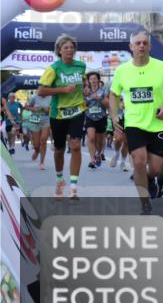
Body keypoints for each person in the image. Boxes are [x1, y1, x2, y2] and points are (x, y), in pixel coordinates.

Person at [109, 30, 163, 214]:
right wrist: (114, 116)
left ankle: (151, 178)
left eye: (145, 43)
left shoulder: (162, 67)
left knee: (155, 168)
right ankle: (145, 203)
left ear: (150, 46)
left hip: (159, 124)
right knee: (138, 161)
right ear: (131, 47)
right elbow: (113, 95)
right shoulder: (122, 70)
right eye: (137, 43)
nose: (141, 46)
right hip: (134, 123)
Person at [37, 34, 87, 201]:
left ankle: (73, 187)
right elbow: (41, 91)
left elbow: (82, 85)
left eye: (72, 47)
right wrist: (63, 90)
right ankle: (59, 180)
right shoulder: (53, 69)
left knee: (75, 146)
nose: (69, 50)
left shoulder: (81, 66)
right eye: (65, 47)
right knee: (58, 150)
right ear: (59, 50)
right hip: (58, 114)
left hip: (77, 111)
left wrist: (85, 90)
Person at [83, 73, 108, 169]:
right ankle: (92, 160)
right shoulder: (85, 91)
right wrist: (86, 100)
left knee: (100, 141)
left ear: (98, 80)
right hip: (90, 117)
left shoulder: (103, 90)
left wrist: (99, 97)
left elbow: (107, 104)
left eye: (95, 78)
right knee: (91, 138)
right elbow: (83, 104)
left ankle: (98, 154)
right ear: (88, 81)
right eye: (91, 79)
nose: (93, 80)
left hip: (101, 117)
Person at [21, 92, 48, 168]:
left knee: (43, 140)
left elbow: (54, 108)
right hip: (35, 120)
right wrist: (34, 109)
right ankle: (37, 150)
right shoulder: (34, 97)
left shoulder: (51, 97)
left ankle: (42, 162)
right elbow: (26, 107)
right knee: (36, 144)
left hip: (46, 119)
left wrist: (48, 109)